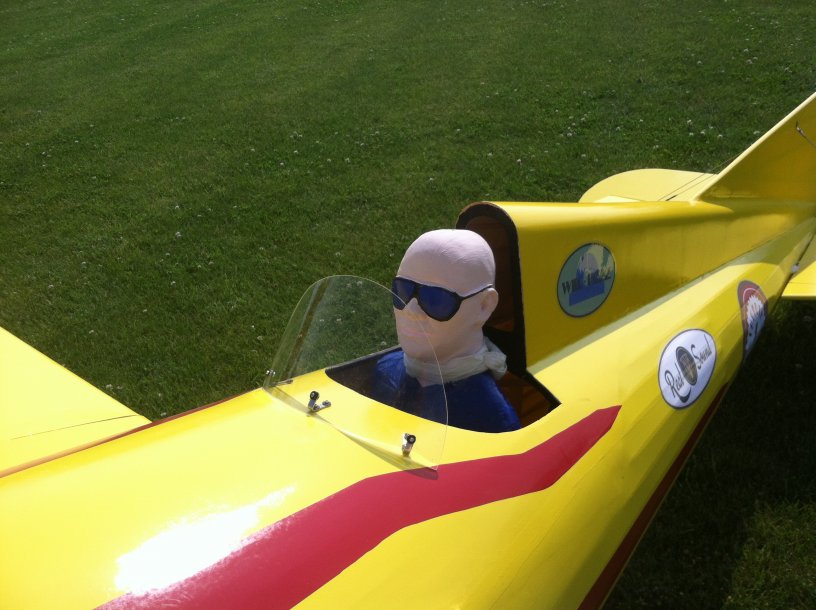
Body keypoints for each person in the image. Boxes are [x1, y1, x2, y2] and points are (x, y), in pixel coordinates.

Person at [371, 229, 521, 433]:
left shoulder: (491, 420)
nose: (411, 311)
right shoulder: (385, 371)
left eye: (436, 298)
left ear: (484, 306)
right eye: (402, 290)